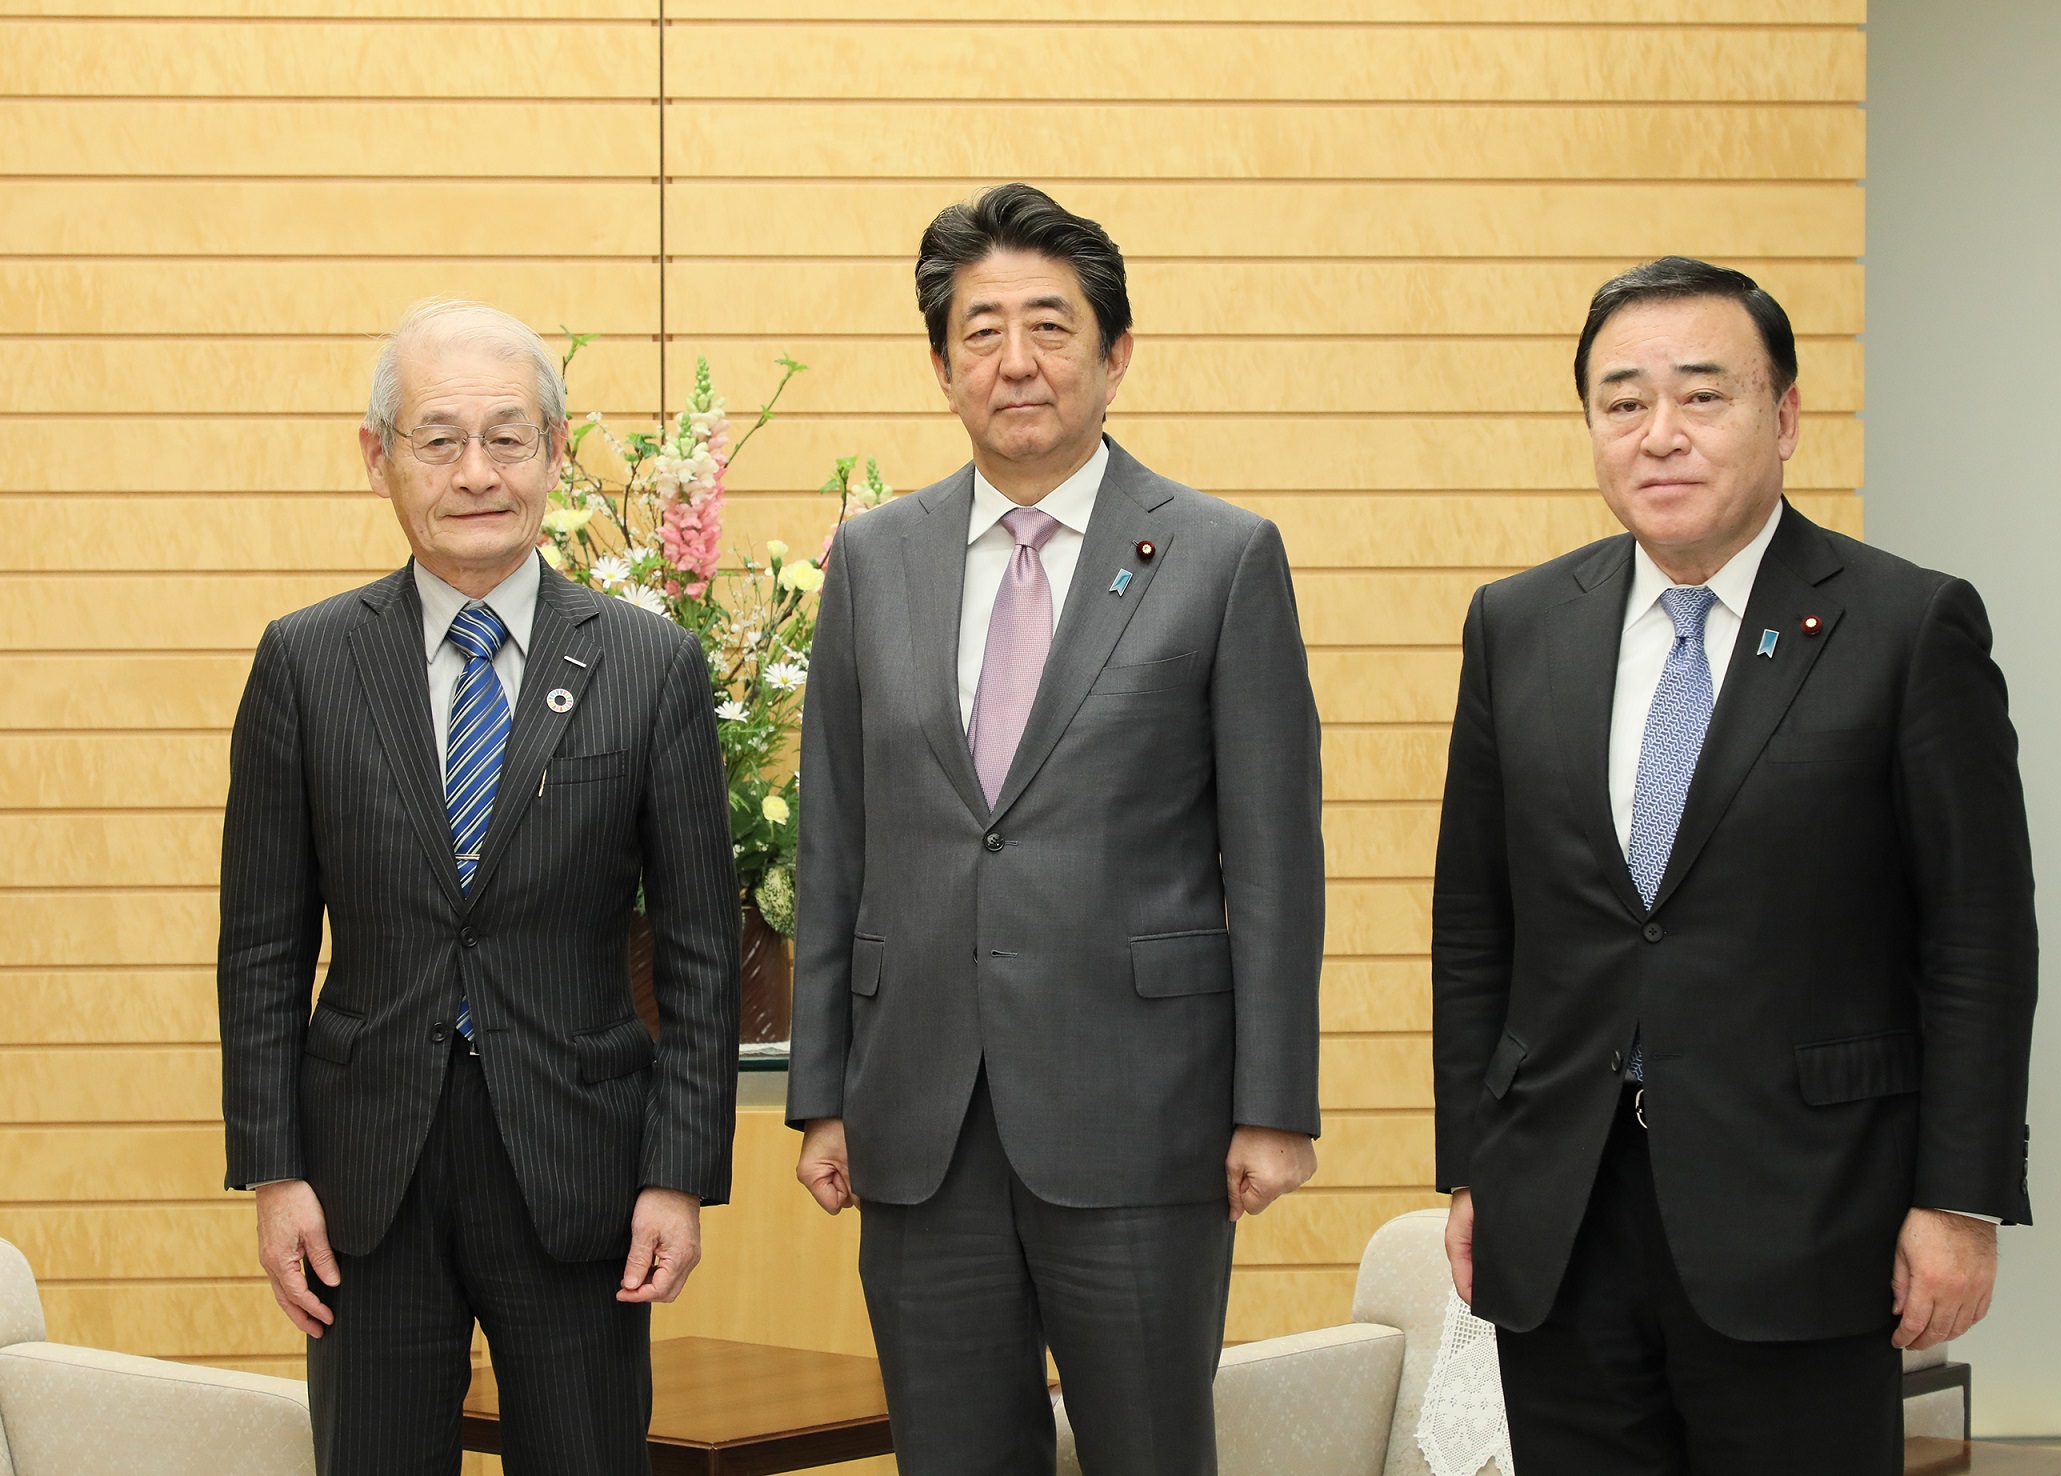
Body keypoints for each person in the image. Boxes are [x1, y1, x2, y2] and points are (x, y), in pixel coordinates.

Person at [1432, 257, 2037, 1474]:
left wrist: (1957, 1199)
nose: (1659, 434)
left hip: (1808, 1210)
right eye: (1622, 402)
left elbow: (1976, 936)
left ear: (1785, 415)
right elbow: (1475, 922)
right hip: (1563, 1210)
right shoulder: (1518, 624)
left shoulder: (1908, 626)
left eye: (1702, 396)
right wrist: (1473, 1167)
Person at [786, 183, 1326, 1475]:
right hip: (920, 1120)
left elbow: (1274, 858)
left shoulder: (1220, 557)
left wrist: (1273, 1106)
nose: (1014, 361)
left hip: (1143, 1116)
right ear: (942, 368)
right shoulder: (875, 559)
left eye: (1049, 326)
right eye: (980, 333)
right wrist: (821, 1095)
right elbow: (835, 842)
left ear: (1115, 354)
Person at [217, 299, 742, 1475]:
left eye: (507, 438)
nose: (475, 474)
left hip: (580, 1165)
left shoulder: (647, 664)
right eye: (439, 439)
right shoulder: (306, 661)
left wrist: (678, 1175)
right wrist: (274, 1169)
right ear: (378, 457)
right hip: (365, 1176)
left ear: (554, 452)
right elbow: (260, 948)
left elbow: (704, 954)